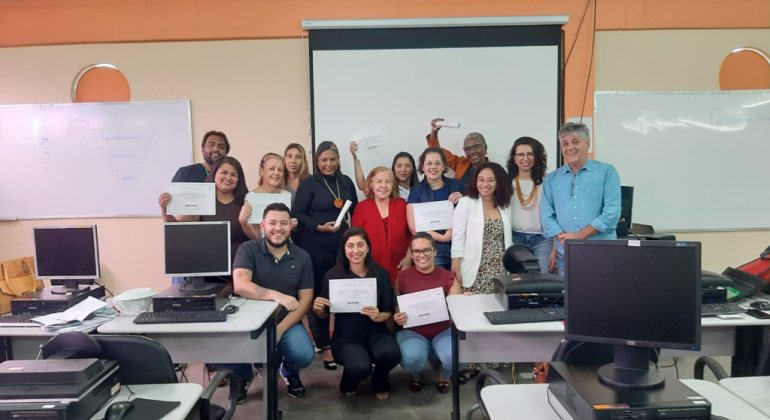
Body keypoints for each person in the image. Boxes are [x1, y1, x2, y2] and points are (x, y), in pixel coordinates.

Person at [231, 203, 315, 401]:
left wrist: (280, 329)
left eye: (284, 223)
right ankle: (243, 377)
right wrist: (276, 295)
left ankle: (289, 372)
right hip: (250, 320)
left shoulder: (302, 257)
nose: (278, 228)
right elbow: (240, 284)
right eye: (273, 223)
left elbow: (305, 300)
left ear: (290, 226)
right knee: (226, 347)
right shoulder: (248, 249)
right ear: (263, 225)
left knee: (304, 354)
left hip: (286, 320)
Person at [311, 227, 401, 399]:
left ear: (368, 248)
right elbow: (324, 315)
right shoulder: (333, 276)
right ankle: (348, 383)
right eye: (350, 246)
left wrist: (378, 316)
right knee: (360, 366)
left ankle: (380, 381)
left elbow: (388, 312)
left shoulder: (380, 274)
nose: (356, 250)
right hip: (346, 337)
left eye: (360, 245)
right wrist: (318, 309)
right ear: (344, 249)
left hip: (376, 332)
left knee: (391, 353)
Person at [292, 141, 358, 370]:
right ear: (317, 161)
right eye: (323, 160)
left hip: (341, 247)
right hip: (314, 244)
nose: (328, 164)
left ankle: (344, 341)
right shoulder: (309, 183)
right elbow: (297, 213)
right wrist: (319, 227)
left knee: (342, 294)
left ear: (338, 160)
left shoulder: (346, 182)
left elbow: (355, 211)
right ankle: (325, 346)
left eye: (332, 159)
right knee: (320, 296)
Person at [451, 162, 513, 377]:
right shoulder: (467, 203)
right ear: (475, 181)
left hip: (500, 270)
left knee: (496, 317)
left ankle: (494, 363)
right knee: (474, 318)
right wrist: (455, 266)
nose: (485, 184)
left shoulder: (504, 204)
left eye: (490, 180)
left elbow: (508, 239)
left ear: (498, 182)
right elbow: (457, 236)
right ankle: (471, 365)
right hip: (475, 268)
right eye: (481, 179)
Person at [541, 122, 621, 276]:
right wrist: (565, 238)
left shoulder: (607, 172)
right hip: (565, 255)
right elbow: (546, 214)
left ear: (587, 144)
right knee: (569, 299)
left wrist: (578, 235)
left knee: (601, 297)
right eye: (565, 143)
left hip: (601, 253)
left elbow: (611, 213)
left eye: (575, 141)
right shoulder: (552, 178)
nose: (569, 147)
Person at [159, 156, 259, 267]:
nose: (228, 177)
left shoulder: (247, 202)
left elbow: (257, 238)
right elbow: (178, 229)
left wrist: (244, 222)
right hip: (207, 265)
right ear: (214, 174)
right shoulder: (201, 200)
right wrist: (165, 210)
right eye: (224, 172)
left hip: (241, 265)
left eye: (234, 175)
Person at [393, 232, 461, 394]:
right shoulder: (402, 277)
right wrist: (397, 315)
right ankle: (415, 374)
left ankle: (444, 375)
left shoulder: (448, 277)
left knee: (455, 356)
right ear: (411, 252)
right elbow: (396, 305)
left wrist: (463, 299)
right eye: (416, 251)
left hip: (443, 330)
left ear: (435, 251)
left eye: (426, 250)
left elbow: (457, 309)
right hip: (412, 331)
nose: (421, 255)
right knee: (411, 359)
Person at [351, 167, 411, 287]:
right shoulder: (361, 208)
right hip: (370, 269)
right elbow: (355, 240)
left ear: (393, 184)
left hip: (401, 267)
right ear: (371, 184)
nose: (383, 185)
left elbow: (411, 235)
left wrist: (408, 259)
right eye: (378, 181)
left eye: (388, 182)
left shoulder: (401, 205)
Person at [406, 147, 465, 270]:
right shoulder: (416, 191)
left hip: (460, 247)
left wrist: (464, 197)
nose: (433, 167)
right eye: (429, 163)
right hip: (432, 251)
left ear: (444, 166)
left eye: (437, 163)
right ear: (423, 166)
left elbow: (474, 206)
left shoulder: (457, 185)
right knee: (438, 287)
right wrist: (444, 238)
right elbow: (414, 228)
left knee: (459, 285)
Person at [506, 137, 556, 273]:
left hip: (543, 240)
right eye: (520, 154)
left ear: (536, 157)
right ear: (514, 159)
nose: (525, 158)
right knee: (518, 283)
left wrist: (554, 249)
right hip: (515, 239)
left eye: (530, 154)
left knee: (542, 281)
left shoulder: (548, 182)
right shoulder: (505, 182)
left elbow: (557, 215)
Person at [426, 118, 489, 186]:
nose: (472, 152)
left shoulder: (494, 170)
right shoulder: (461, 163)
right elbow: (437, 152)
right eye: (467, 149)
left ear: (485, 148)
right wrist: (434, 132)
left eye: (476, 147)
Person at [350, 142, 419, 200]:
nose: (403, 169)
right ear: (393, 168)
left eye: (407, 166)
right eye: (399, 166)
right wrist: (356, 158)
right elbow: (363, 186)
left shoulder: (420, 190)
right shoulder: (387, 189)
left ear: (413, 169)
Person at [252, 153, 297, 232]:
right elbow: (253, 232)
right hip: (260, 243)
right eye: (272, 169)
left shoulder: (287, 196)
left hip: (284, 242)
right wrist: (243, 222)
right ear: (261, 171)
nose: (276, 173)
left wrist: (292, 224)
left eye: (280, 170)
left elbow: (290, 230)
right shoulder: (251, 197)